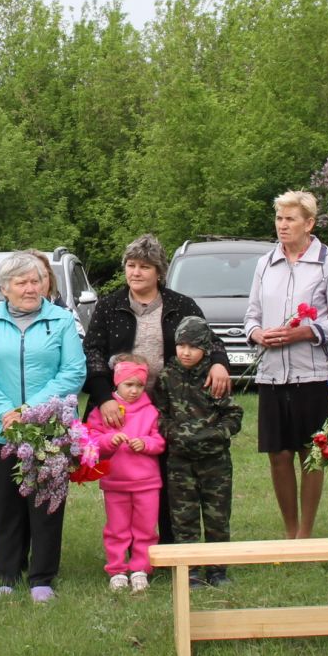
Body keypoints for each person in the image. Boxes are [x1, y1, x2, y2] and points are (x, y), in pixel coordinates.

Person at [82, 234, 233, 546]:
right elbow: (92, 353)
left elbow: (210, 340)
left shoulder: (181, 305)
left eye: (145, 267)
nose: (136, 272)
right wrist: (103, 399)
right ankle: (132, 546)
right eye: (131, 265)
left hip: (172, 405)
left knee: (169, 479)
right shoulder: (109, 305)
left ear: (159, 272)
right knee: (131, 478)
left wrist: (219, 363)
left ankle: (171, 547)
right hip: (124, 408)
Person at [0, 251, 86, 603]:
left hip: (48, 427)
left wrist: (30, 410)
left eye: (36, 281)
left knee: (46, 501)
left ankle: (42, 577)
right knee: (5, 504)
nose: (30, 288)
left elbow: (72, 371)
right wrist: (5, 412)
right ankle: (7, 572)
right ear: (5, 288)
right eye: (22, 282)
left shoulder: (61, 320)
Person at [244, 190, 328, 539]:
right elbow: (251, 317)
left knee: (311, 453)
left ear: (310, 223)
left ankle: (306, 532)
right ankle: (289, 532)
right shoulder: (265, 263)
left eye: (290, 219)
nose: (283, 225)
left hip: (314, 374)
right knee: (278, 454)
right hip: (273, 375)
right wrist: (258, 334)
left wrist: (306, 332)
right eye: (279, 219)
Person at [158, 317, 244, 587]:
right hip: (180, 463)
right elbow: (158, 416)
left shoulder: (214, 377)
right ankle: (190, 571)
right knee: (184, 518)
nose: (185, 351)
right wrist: (175, 434)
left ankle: (218, 570)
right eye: (181, 345)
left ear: (205, 348)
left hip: (215, 462)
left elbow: (233, 415)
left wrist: (214, 436)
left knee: (217, 516)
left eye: (193, 346)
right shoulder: (167, 376)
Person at [86, 355, 164, 593]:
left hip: (147, 483)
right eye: (129, 384)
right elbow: (91, 441)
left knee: (145, 528)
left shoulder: (150, 411)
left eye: (139, 385)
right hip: (115, 482)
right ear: (116, 382)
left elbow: (160, 440)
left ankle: (141, 568)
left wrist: (146, 444)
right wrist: (110, 440)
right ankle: (117, 569)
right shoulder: (103, 411)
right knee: (117, 529)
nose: (134, 390)